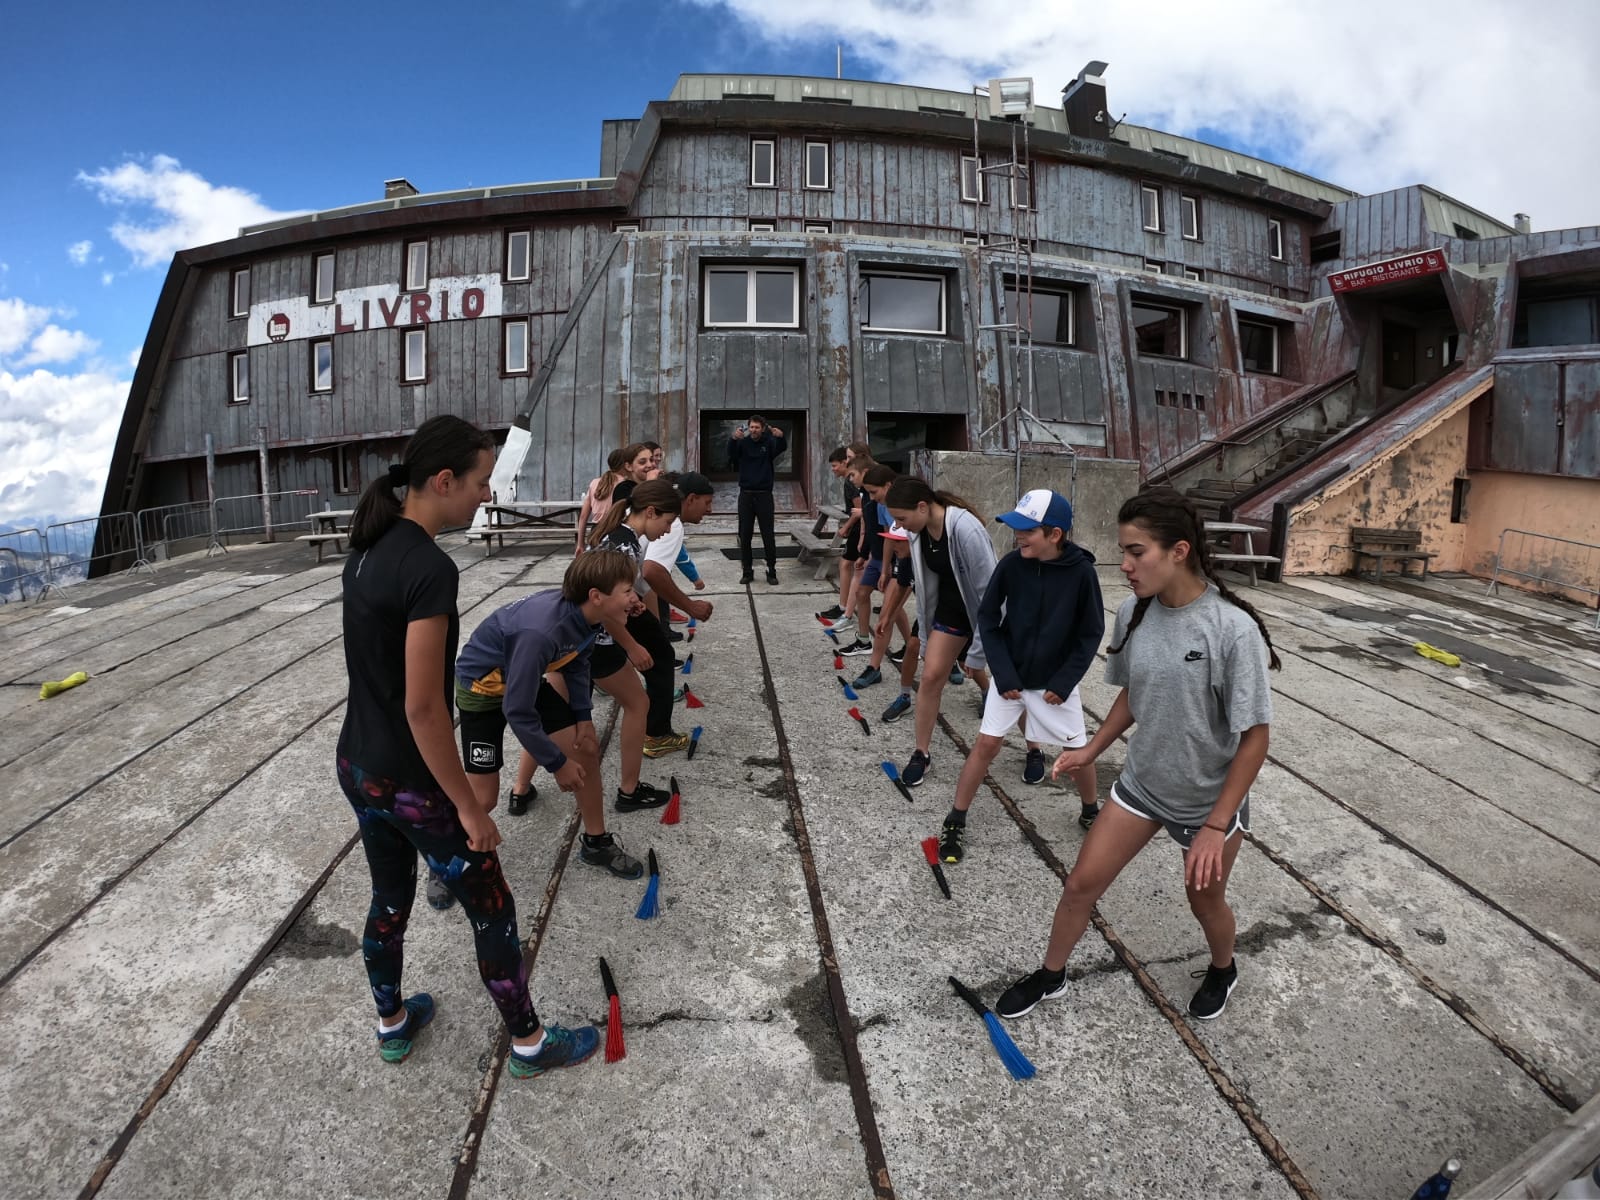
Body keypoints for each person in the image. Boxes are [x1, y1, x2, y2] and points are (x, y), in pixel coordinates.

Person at [335, 415, 598, 1078]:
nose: (488, 494)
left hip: (358, 765)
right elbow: (424, 707)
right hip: (411, 779)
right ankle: (530, 1045)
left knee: (389, 899)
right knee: (493, 910)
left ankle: (392, 1022)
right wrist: (467, 808)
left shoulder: (366, 546)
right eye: (482, 481)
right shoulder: (428, 568)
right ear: (444, 480)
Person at [994, 487, 1280, 1024]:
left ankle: (1223, 968)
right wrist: (1091, 750)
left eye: (1136, 552)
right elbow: (1134, 693)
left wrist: (1216, 825)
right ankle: (1051, 975)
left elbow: (1255, 737)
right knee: (1080, 884)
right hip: (1143, 785)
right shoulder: (1133, 613)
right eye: (1122, 551)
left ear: (1179, 551)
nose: (1123, 565)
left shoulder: (1231, 630)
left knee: (1204, 902)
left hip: (1207, 802)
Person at [454, 549, 652, 881]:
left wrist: (583, 718)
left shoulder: (589, 618)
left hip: (523, 677)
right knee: (483, 799)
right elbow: (517, 710)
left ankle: (596, 843)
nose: (635, 598)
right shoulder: (542, 633)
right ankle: (447, 854)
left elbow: (577, 662)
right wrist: (557, 764)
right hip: (482, 688)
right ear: (596, 596)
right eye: (628, 590)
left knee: (585, 749)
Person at [935, 490, 1105, 864]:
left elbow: (1090, 633)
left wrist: (1064, 682)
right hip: (1009, 677)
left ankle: (1090, 810)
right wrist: (1002, 671)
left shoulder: (1082, 573)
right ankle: (956, 818)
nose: (1018, 536)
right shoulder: (1011, 565)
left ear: (1054, 534)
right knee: (985, 745)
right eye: (1017, 529)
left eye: (1027, 531)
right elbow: (988, 619)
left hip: (1055, 685)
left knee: (1077, 752)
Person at [883, 476, 998, 788]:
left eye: (902, 518)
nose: (900, 526)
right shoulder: (918, 532)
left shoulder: (965, 529)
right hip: (950, 612)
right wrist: (924, 638)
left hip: (986, 613)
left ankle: (1033, 748)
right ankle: (921, 753)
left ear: (923, 507)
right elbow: (923, 588)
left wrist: (977, 652)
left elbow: (990, 593)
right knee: (931, 677)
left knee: (1009, 684)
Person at [589, 479, 692, 758]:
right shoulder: (625, 547)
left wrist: (631, 599)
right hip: (599, 634)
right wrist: (631, 647)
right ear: (650, 512)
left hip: (602, 625)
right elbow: (604, 608)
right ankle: (654, 738)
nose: (668, 530)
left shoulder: (623, 536)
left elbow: (612, 590)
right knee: (638, 698)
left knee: (660, 655)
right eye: (667, 522)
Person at [645, 472, 716, 652]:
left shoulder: (658, 513)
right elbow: (652, 571)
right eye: (707, 503)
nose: (710, 510)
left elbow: (647, 580)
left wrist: (655, 630)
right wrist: (690, 607)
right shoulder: (672, 523)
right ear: (691, 499)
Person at [727, 413, 787, 585]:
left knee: (768, 535)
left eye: (757, 427)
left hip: (764, 495)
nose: (753, 430)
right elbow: (731, 455)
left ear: (762, 428)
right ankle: (747, 571)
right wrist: (733, 439)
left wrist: (781, 437)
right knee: (744, 535)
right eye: (751, 427)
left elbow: (781, 448)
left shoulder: (768, 443)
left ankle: (771, 570)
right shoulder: (743, 443)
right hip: (746, 494)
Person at [816, 446, 862, 622]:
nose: (833, 469)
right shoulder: (850, 480)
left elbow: (860, 510)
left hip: (860, 528)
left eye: (835, 465)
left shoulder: (851, 481)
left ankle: (844, 607)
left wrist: (846, 527)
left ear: (845, 463)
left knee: (846, 564)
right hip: (858, 528)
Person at [575, 447, 630, 556]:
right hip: (615, 530)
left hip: (596, 531)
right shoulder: (625, 485)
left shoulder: (594, 483)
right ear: (626, 465)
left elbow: (583, 517)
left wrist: (580, 544)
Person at [609, 442, 655, 510]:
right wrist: (649, 484)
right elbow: (630, 511)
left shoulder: (657, 484)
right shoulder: (623, 488)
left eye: (651, 460)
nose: (649, 465)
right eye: (642, 462)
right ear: (628, 467)